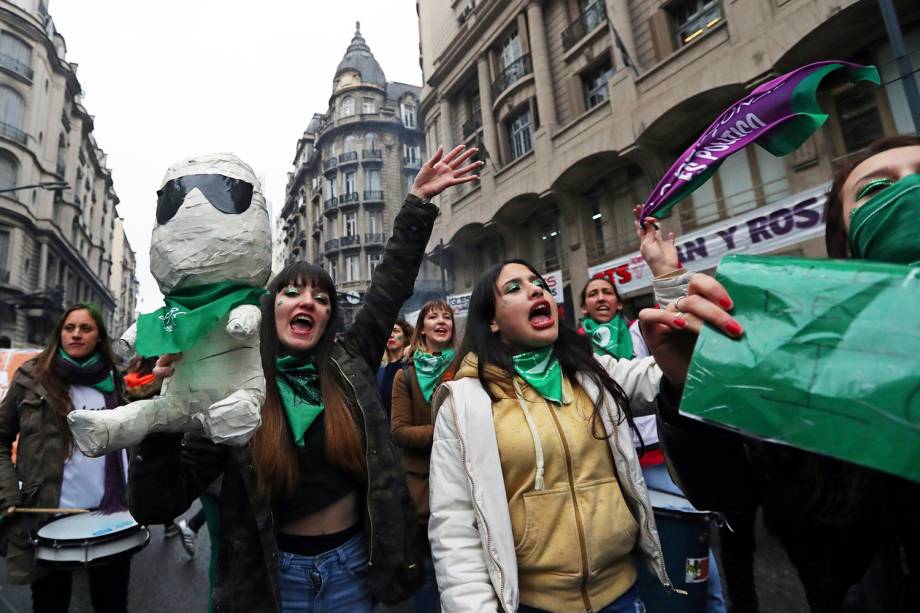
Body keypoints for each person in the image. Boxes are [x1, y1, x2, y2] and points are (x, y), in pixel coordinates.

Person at [127, 145, 483, 613]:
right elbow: (157, 505)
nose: (307, 302)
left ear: (329, 316)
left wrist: (418, 202)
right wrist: (167, 416)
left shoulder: (349, 362)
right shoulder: (237, 386)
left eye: (320, 297)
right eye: (291, 292)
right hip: (275, 583)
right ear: (267, 308)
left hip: (352, 573)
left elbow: (390, 283)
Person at [655, 134, 920, 613]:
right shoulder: (819, 369)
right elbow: (737, 492)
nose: (910, 190)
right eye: (876, 190)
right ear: (844, 246)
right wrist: (691, 383)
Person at [427, 257, 742, 613]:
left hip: (622, 596)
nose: (534, 289)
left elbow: (670, 373)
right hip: (534, 605)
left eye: (538, 283)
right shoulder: (465, 402)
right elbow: (454, 526)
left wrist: (669, 280)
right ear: (493, 322)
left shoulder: (591, 374)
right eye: (514, 288)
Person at [0, 303, 132, 612]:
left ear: (99, 337)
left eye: (85, 329)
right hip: (47, 520)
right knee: (50, 604)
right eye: (69, 328)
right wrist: (8, 495)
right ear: (59, 334)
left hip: (110, 520)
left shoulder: (113, 379)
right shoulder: (31, 377)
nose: (76, 334)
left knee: (112, 604)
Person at [390, 300, 457, 612]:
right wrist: (449, 431)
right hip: (425, 492)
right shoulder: (405, 375)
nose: (441, 321)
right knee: (430, 575)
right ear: (422, 329)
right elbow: (400, 431)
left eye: (447, 316)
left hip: (464, 484)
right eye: (433, 316)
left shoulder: (467, 367)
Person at [377, 319, 414, 419]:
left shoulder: (412, 364)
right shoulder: (379, 369)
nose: (391, 334)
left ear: (406, 337)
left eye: (396, 331)